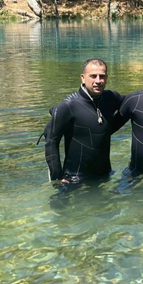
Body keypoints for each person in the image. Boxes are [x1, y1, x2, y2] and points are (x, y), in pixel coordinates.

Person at [43, 58, 126, 188]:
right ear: (83, 78)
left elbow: (133, 104)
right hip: (74, 180)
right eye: (93, 76)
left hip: (105, 175)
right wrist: (57, 177)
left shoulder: (111, 98)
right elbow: (51, 142)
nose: (98, 81)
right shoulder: (68, 106)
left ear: (106, 78)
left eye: (102, 76)